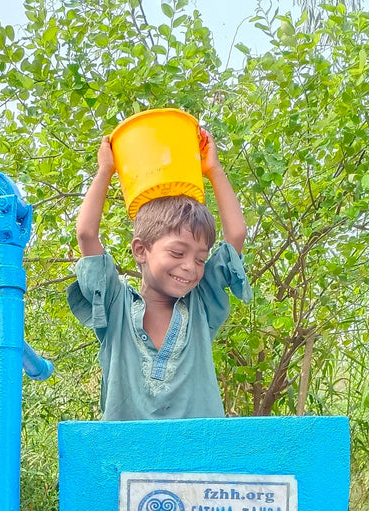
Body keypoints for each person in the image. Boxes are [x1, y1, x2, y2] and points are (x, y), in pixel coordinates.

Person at [67, 127, 251, 421]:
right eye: (177, 253)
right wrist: (106, 171)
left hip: (197, 460)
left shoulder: (201, 306)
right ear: (141, 250)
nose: (190, 266)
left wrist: (214, 170)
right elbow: (86, 234)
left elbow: (237, 234)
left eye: (201, 259)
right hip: (128, 461)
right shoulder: (116, 305)